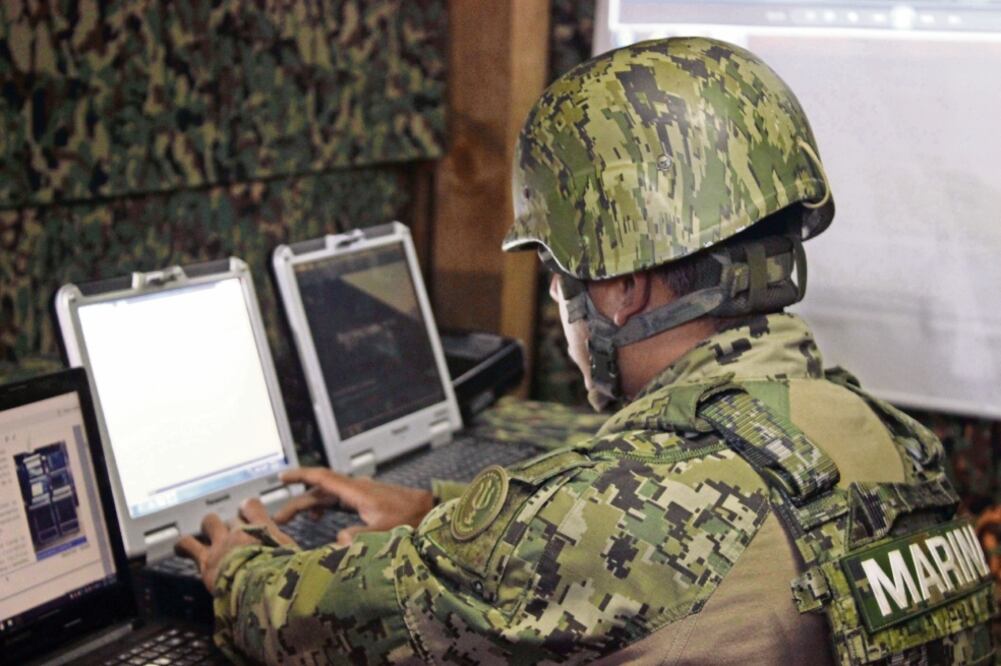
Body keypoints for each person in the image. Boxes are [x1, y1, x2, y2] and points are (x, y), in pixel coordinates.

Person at [177, 37, 995, 664]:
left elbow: (318, 621)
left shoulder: (609, 513)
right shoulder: (894, 441)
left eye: (558, 273)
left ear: (621, 286)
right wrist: (435, 512)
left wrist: (236, 571)